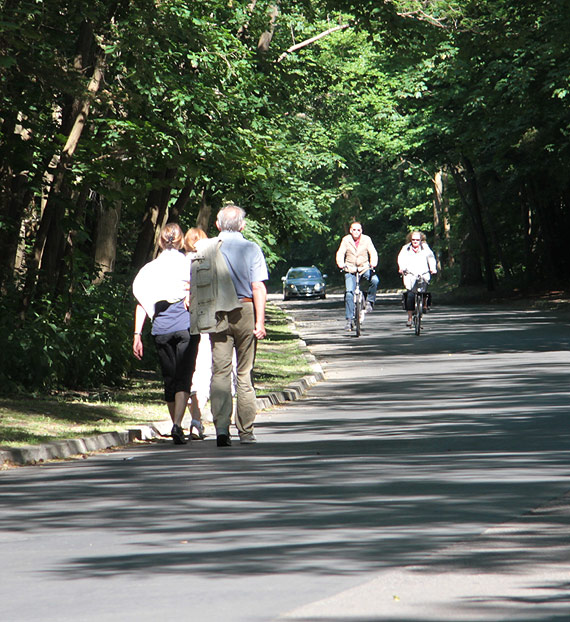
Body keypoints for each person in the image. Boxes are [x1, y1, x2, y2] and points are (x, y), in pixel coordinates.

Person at [190, 204, 268, 447]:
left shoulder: (206, 248)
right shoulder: (252, 248)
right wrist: (260, 321)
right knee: (244, 374)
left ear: (217, 225)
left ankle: (222, 428)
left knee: (220, 371)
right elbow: (258, 287)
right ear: (242, 226)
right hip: (245, 310)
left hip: (217, 312)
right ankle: (246, 432)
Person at [132, 223, 199, 445]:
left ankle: (175, 424)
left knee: (169, 378)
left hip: (160, 328)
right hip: (185, 326)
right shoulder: (190, 264)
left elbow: (141, 303)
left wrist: (136, 334)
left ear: (160, 241)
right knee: (184, 376)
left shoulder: (149, 269)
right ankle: (177, 425)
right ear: (181, 241)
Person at [335, 221, 380, 331]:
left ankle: (370, 301)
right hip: (350, 269)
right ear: (350, 230)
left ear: (361, 231)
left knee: (375, 280)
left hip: (364, 267)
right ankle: (349, 320)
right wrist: (341, 264)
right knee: (349, 293)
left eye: (358, 230)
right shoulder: (346, 240)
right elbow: (340, 253)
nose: (356, 232)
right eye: (354, 230)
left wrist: (373, 263)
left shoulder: (366, 239)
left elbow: (373, 252)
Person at [397, 230, 437, 327]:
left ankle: (424, 307)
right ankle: (410, 318)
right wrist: (401, 268)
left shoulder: (425, 248)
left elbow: (431, 258)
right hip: (410, 274)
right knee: (410, 294)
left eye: (417, 240)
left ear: (421, 240)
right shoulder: (405, 248)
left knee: (424, 291)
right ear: (410, 240)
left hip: (423, 273)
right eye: (413, 240)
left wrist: (433, 268)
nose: (415, 241)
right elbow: (401, 259)